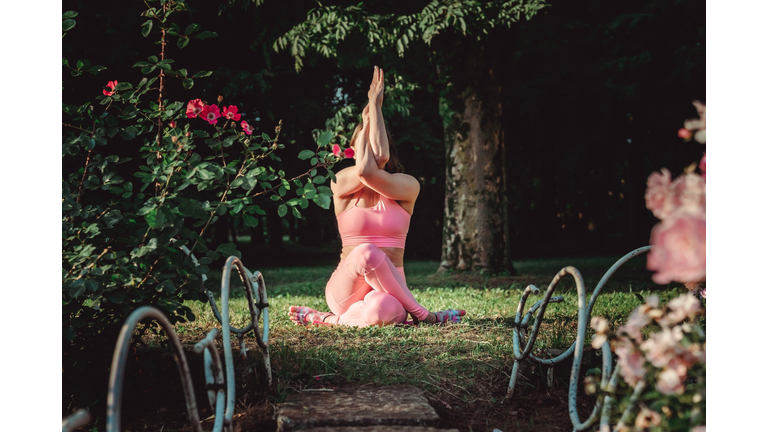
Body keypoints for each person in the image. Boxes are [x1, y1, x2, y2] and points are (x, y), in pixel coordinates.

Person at [288, 66, 465, 327]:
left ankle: (325, 319)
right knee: (367, 252)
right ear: (354, 150)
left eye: (375, 143)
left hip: (389, 292)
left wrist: (374, 107)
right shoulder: (340, 185)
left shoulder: (407, 186)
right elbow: (365, 169)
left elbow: (378, 160)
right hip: (345, 289)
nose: (372, 151)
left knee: (381, 314)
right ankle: (425, 316)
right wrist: (369, 115)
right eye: (364, 145)